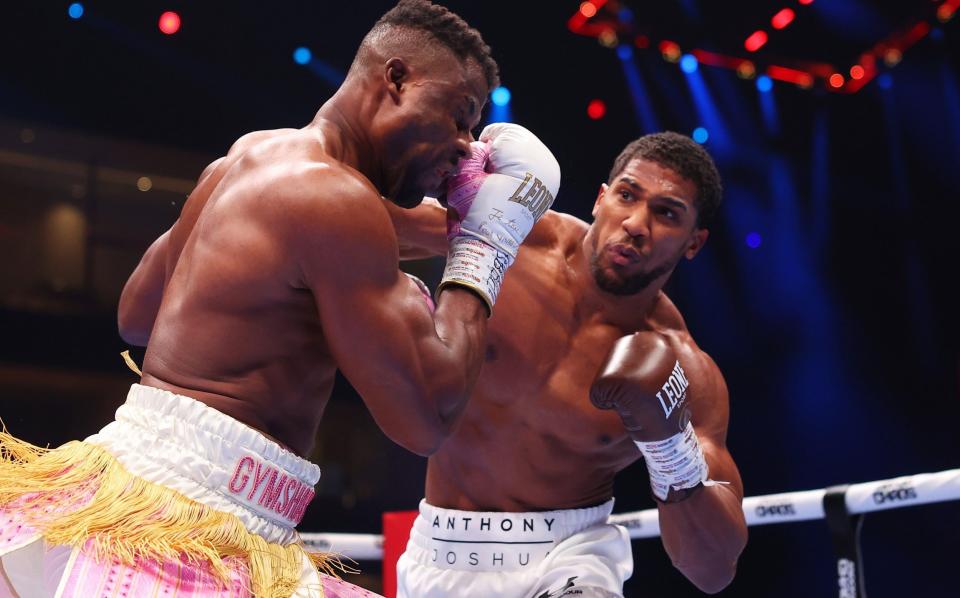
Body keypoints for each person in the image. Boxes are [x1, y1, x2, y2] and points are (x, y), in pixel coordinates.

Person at [0, 1, 560, 596]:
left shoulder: (249, 157)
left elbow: (137, 317)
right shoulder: (339, 203)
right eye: (460, 116)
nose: (466, 146)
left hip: (135, 484)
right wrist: (483, 244)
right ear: (396, 79)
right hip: (195, 521)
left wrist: (468, 216)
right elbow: (427, 417)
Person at [389, 132, 748, 597]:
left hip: (571, 556)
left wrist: (673, 452)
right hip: (440, 551)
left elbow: (713, 568)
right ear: (602, 198)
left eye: (667, 213)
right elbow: (357, 218)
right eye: (627, 195)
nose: (637, 223)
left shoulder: (685, 368)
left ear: (694, 243)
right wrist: (438, 172)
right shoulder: (514, 235)